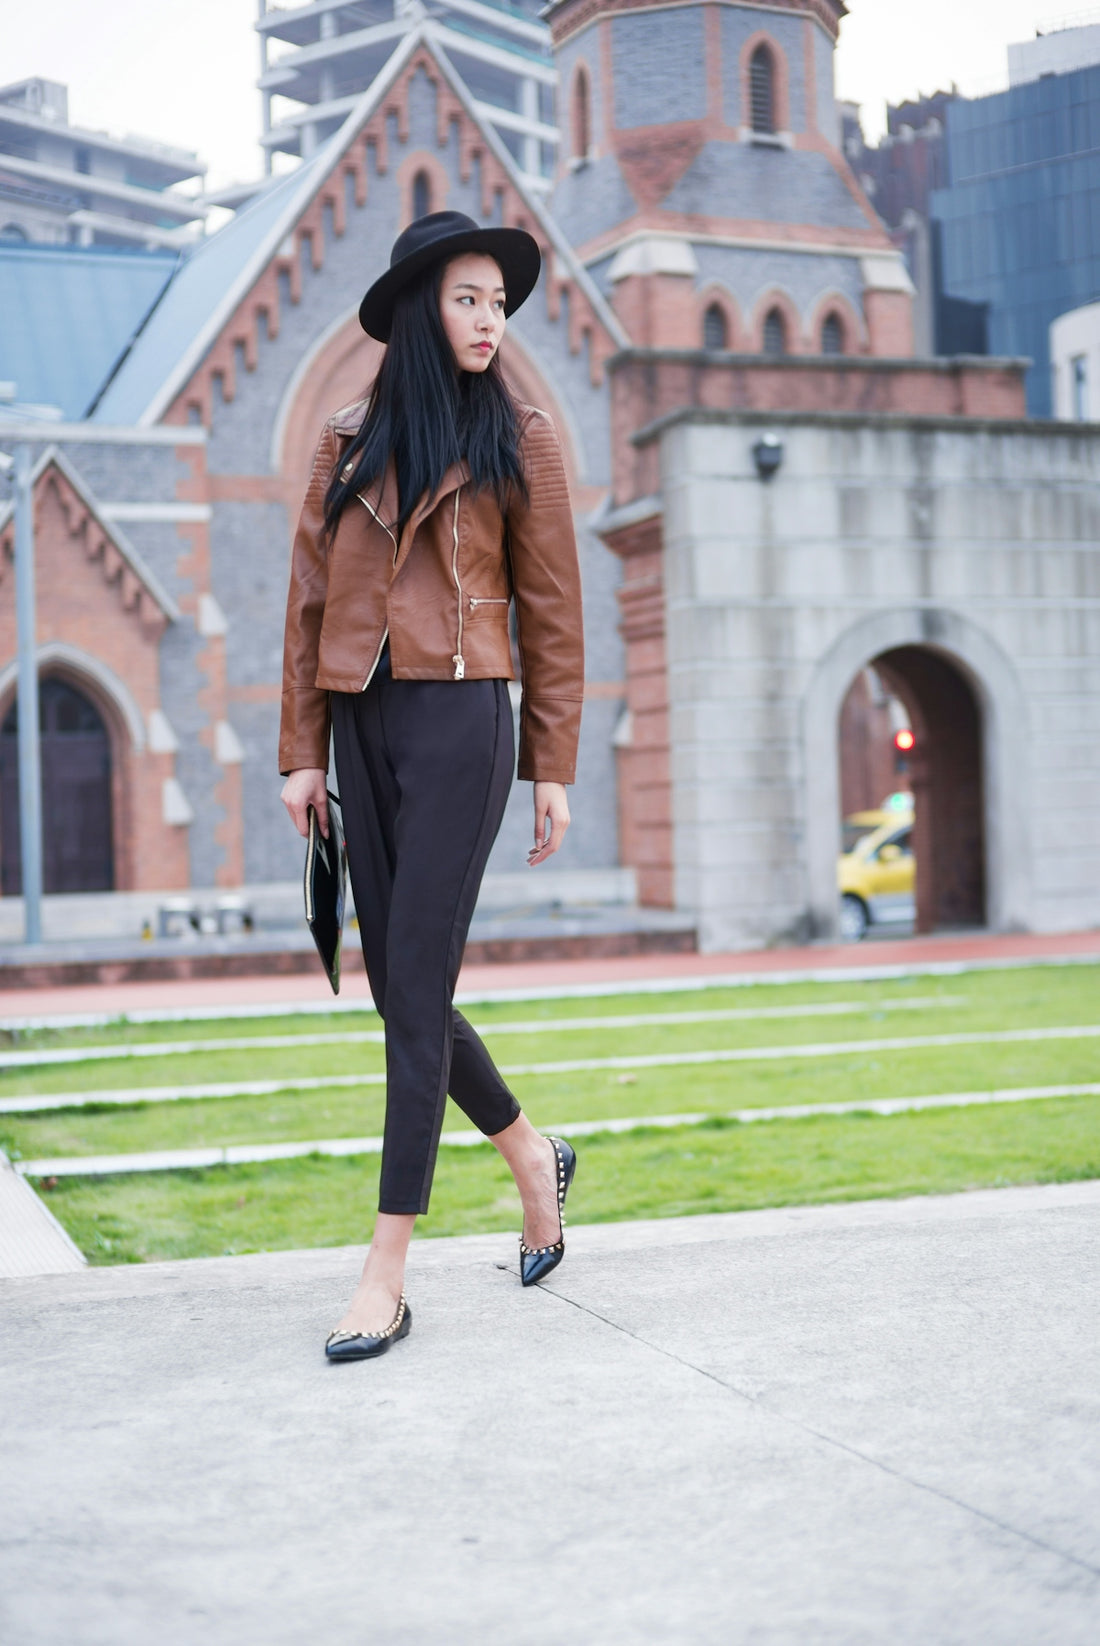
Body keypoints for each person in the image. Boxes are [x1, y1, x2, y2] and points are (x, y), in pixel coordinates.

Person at [278, 212, 585, 1362]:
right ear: (420, 308)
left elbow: (551, 604)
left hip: (465, 719)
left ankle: (385, 1266)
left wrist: (550, 760)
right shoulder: (345, 437)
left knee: (412, 982)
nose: (488, 316)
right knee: (399, 991)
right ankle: (529, 1156)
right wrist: (300, 750)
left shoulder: (523, 433)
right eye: (467, 298)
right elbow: (307, 602)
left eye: (497, 301)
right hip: (359, 716)